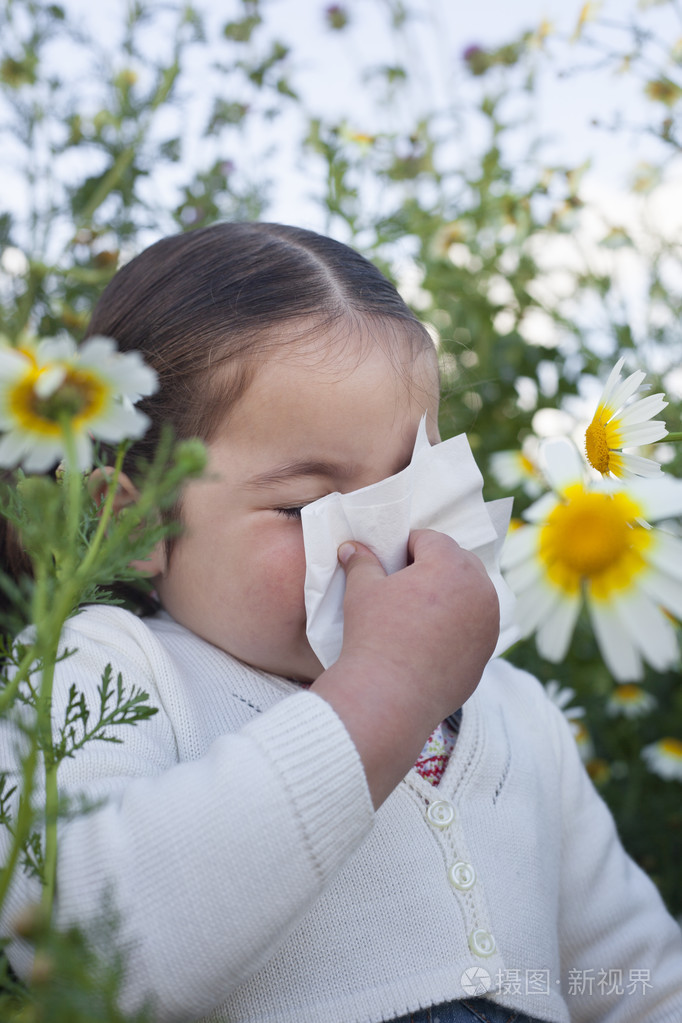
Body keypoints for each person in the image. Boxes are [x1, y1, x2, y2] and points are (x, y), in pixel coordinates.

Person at [1, 222, 681, 1023]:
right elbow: (81, 947)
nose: (375, 538)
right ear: (136, 519)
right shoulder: (101, 665)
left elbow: (636, 980)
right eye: (305, 505)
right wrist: (382, 694)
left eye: (413, 484)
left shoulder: (516, 708)